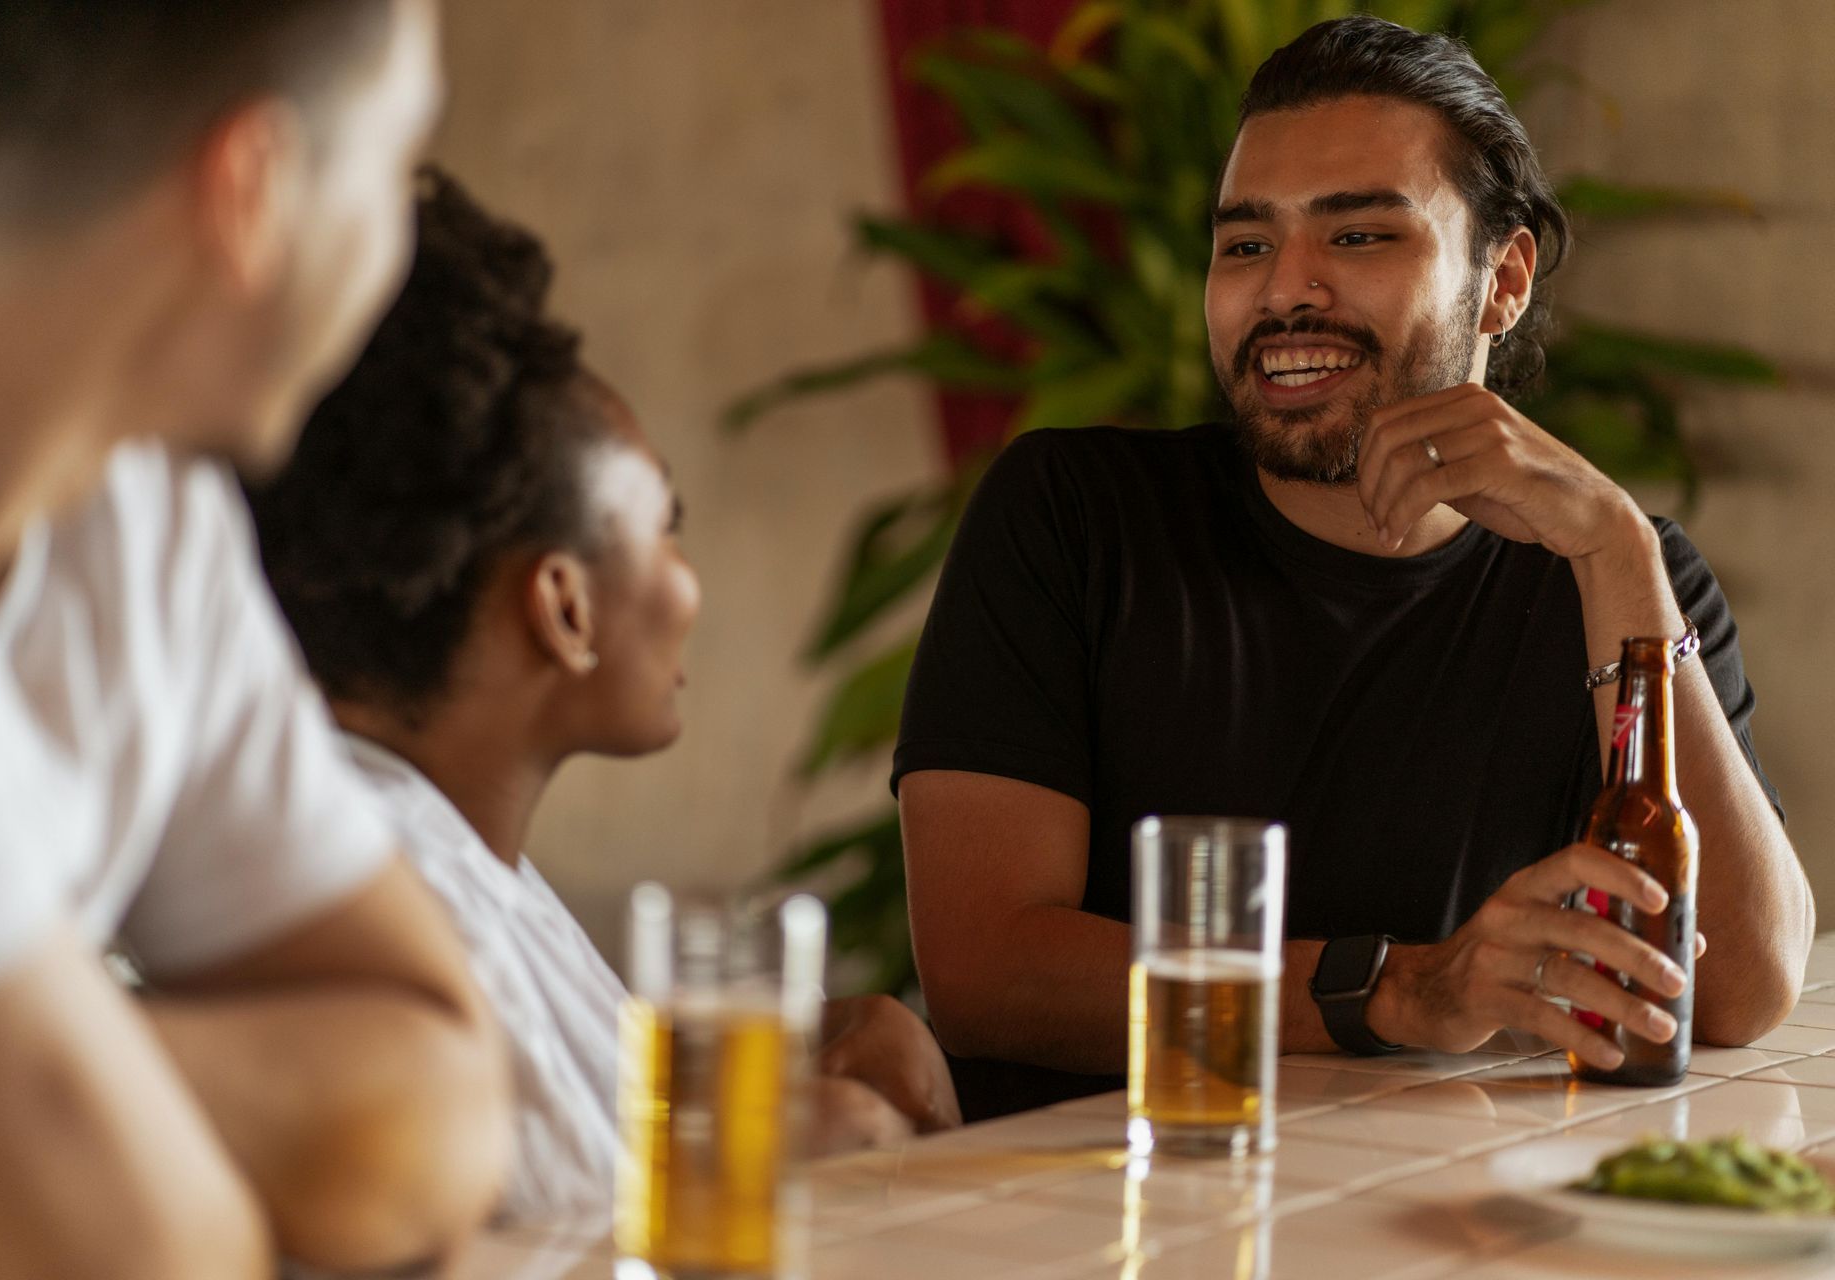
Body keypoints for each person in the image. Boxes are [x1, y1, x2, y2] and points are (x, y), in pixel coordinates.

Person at [895, 15, 1814, 1118]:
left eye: (1360, 237)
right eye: (1244, 244)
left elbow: (1737, 987)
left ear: (1505, 278)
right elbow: (986, 972)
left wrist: (1613, 549)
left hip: (1422, 1207)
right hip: (1096, 1204)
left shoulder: (1623, 571)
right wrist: (1394, 988)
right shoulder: (1073, 516)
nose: (1285, 292)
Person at [0, 4, 513, 1276]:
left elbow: (453, 1100)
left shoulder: (143, 516)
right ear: (252, 187)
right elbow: (136, 1248)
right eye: (398, 166)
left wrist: (59, 1062)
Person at [246, 170, 961, 1223]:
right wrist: (809, 1143)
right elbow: (569, 1217)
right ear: (564, 606)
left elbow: (589, 1123)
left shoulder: (455, 859)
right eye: (664, 526)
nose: (689, 583)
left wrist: (800, 1056)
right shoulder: (396, 889)